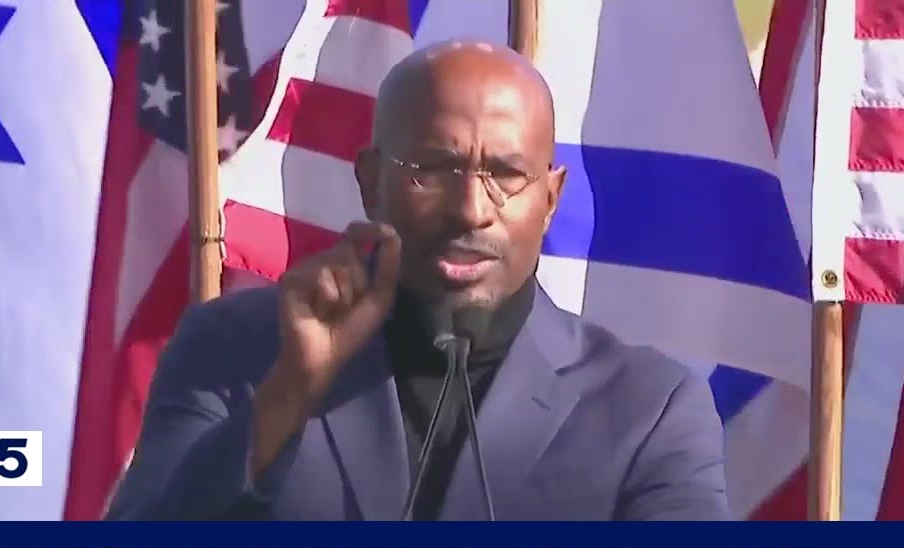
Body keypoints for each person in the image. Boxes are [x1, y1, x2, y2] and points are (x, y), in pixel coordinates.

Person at [104, 40, 730, 521]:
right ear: (370, 181)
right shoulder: (234, 349)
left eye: (507, 174)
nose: (470, 209)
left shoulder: (648, 408)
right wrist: (290, 391)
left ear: (551, 198)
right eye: (433, 168)